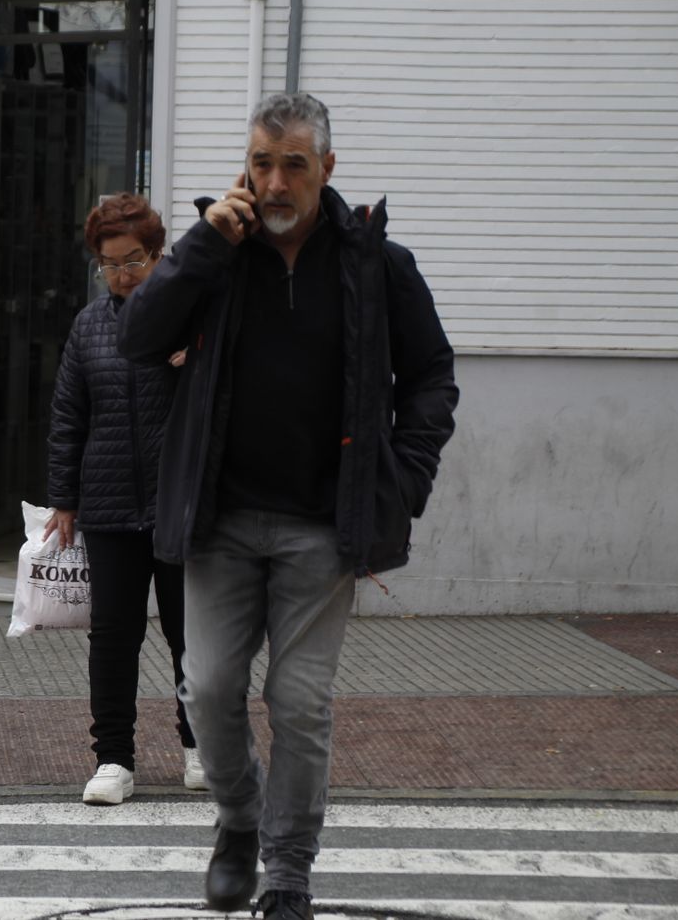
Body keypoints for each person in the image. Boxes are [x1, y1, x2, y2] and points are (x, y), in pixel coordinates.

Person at [117, 93, 459, 920]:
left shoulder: (376, 265)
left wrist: (401, 480)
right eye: (262, 164)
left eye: (294, 166)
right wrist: (204, 245)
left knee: (301, 704)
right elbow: (135, 339)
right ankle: (239, 822)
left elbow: (431, 378)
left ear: (326, 170)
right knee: (208, 690)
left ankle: (290, 872)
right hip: (219, 519)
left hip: (321, 523)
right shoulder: (216, 254)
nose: (275, 183)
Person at [46, 194, 203, 806]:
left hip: (180, 503)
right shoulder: (89, 325)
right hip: (109, 506)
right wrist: (64, 496)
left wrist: (197, 360)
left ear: (158, 255)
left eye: (132, 261)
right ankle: (113, 759)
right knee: (113, 637)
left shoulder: (191, 315)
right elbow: (68, 415)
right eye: (108, 264)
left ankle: (201, 747)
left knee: (192, 634)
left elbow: (227, 398)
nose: (120, 275)